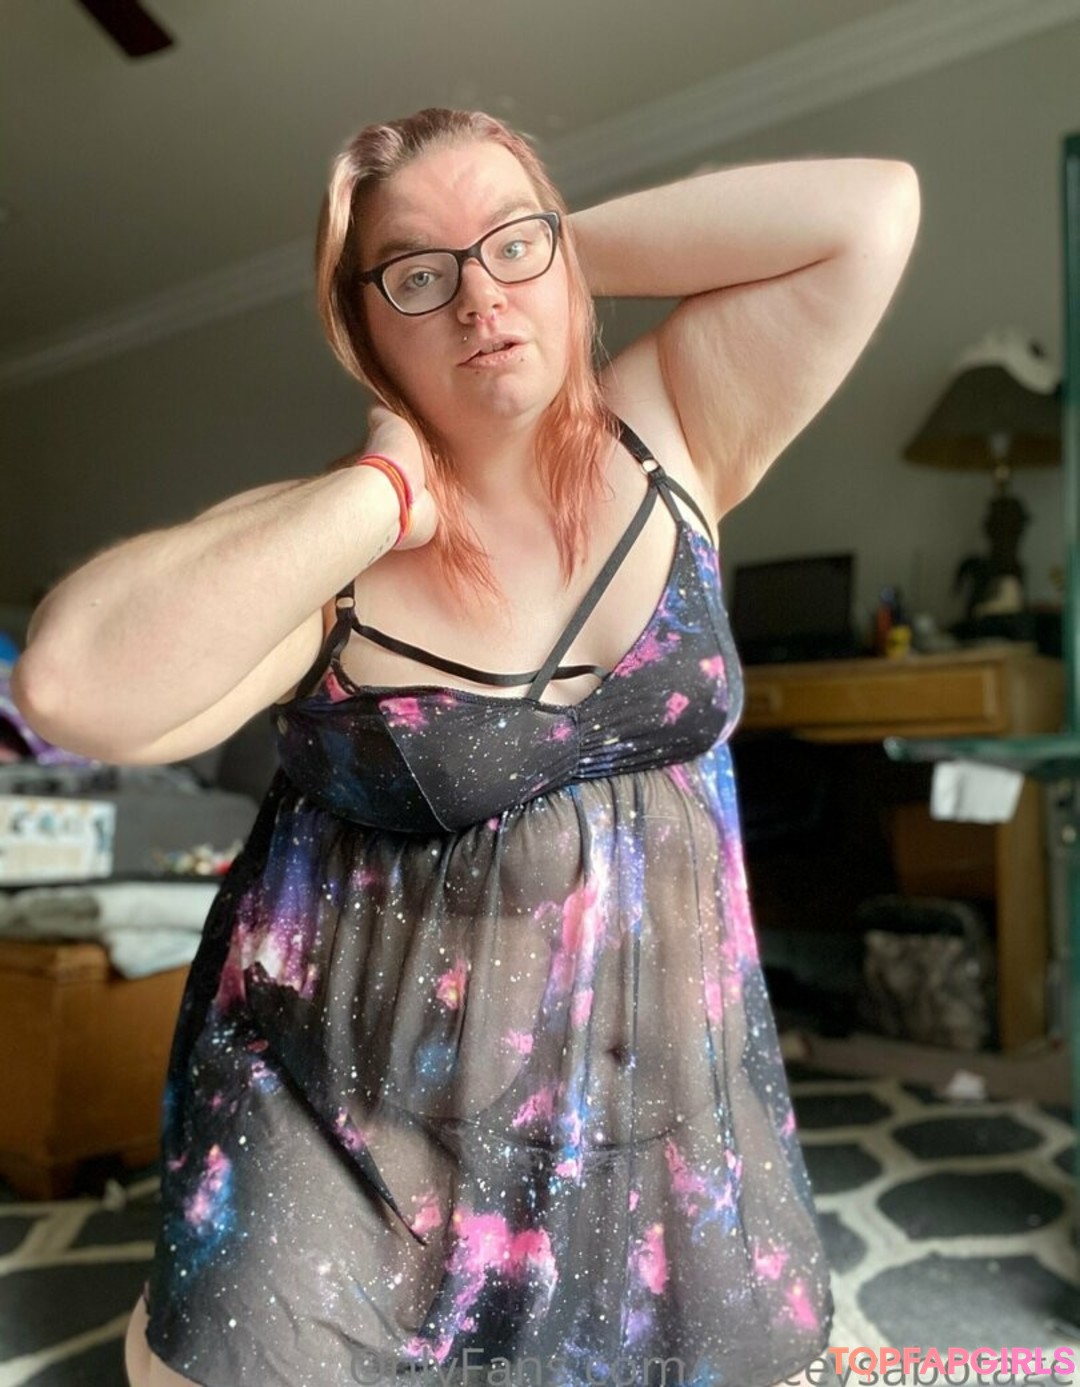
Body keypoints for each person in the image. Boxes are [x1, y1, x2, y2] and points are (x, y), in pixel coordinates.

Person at [13, 108, 919, 1387]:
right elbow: (67, 685)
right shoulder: (334, 551)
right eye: (418, 275)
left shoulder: (675, 422)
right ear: (363, 324)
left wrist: (539, 251)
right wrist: (377, 492)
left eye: (510, 246)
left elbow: (871, 212)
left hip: (649, 1112)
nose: (477, 300)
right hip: (351, 1123)